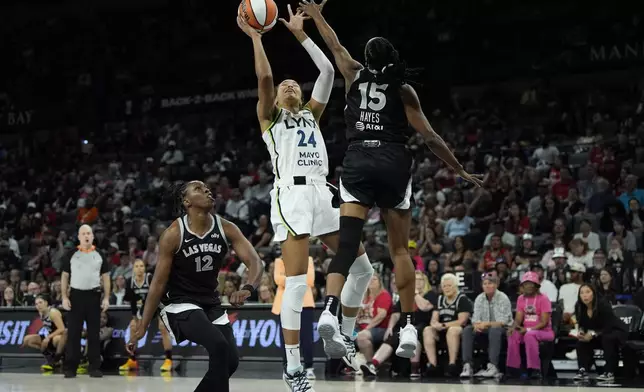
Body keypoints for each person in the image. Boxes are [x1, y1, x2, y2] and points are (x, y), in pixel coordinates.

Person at [298, 0, 482, 364]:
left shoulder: (352, 72)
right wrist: (459, 168)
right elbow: (430, 137)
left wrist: (317, 15)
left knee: (348, 246)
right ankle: (410, 326)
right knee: (400, 251)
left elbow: (334, 44)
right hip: (393, 162)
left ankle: (329, 311)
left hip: (358, 161)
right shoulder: (403, 89)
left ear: (366, 58)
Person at [237, 6, 374, 387]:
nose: (290, 85)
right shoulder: (271, 119)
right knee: (297, 283)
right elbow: (264, 76)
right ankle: (293, 366)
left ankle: (342, 332)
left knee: (364, 269)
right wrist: (256, 37)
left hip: (322, 192)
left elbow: (328, 72)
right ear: (277, 99)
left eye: (295, 83)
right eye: (285, 86)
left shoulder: (312, 114)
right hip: (292, 194)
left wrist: (301, 34)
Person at [127, 181, 263, 392]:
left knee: (230, 361)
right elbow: (158, 283)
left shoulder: (226, 228)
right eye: (199, 189)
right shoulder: (173, 234)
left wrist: (247, 288)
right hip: (179, 303)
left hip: (210, 302)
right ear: (186, 201)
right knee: (218, 346)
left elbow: (255, 262)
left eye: (207, 187)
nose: (207, 190)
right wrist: (144, 324)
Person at [361, 271, 436, 378]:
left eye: (420, 280)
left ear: (425, 282)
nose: (417, 282)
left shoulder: (430, 294)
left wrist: (415, 294)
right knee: (393, 337)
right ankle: (373, 364)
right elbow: (396, 314)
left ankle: (414, 368)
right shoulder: (405, 296)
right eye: (415, 280)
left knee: (412, 333)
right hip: (404, 327)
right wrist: (390, 327)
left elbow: (424, 307)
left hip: (422, 326)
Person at [61, 224, 111, 378]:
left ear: (93, 236)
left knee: (93, 334)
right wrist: (64, 296)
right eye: (83, 233)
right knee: (74, 333)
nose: (86, 236)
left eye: (89, 233)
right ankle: (71, 367)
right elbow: (64, 277)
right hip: (75, 296)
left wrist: (107, 297)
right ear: (79, 236)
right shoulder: (71, 254)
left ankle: (94, 367)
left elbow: (106, 278)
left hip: (94, 296)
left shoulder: (100, 254)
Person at [119, 258, 174, 372]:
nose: (139, 269)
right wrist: (136, 318)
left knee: (163, 327)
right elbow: (133, 302)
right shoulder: (130, 281)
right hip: (145, 308)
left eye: (142, 266)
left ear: (145, 268)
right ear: (133, 269)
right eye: (137, 266)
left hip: (159, 305)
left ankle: (169, 360)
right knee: (133, 326)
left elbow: (158, 296)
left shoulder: (150, 278)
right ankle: (132, 360)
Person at [460, 273, 513, 378]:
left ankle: (493, 367)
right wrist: (476, 325)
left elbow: (503, 321)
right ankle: (468, 366)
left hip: (503, 329)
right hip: (485, 328)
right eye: (485, 284)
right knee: (467, 330)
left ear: (496, 285)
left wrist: (486, 324)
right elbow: (475, 318)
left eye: (490, 283)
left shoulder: (503, 297)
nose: (487, 286)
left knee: (495, 329)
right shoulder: (479, 298)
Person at [272, 256, 316, 380]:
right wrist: (297, 280)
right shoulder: (279, 261)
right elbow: (277, 279)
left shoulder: (308, 260)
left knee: (307, 337)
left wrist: (289, 280)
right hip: (284, 302)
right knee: (285, 338)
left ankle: (309, 368)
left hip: (305, 303)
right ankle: (287, 367)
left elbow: (310, 279)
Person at [573, 284, 628, 382]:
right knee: (581, 342)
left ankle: (609, 372)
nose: (584, 295)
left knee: (608, 338)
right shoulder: (579, 306)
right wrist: (581, 332)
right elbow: (581, 324)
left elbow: (608, 326)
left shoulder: (603, 305)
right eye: (581, 293)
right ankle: (583, 370)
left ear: (594, 294)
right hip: (598, 334)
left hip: (615, 331)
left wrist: (593, 334)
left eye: (587, 292)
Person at [506, 272, 554, 379]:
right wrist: (513, 327)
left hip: (545, 332)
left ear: (536, 286)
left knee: (529, 335)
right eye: (526, 284)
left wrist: (527, 329)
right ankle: (513, 368)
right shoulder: (520, 299)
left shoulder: (543, 299)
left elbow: (544, 322)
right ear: (522, 286)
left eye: (531, 283)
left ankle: (534, 369)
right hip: (527, 330)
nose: (528, 286)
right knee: (513, 334)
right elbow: (518, 318)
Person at [423, 273, 472, 376]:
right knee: (427, 330)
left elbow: (462, 321)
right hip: (442, 329)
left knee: (452, 330)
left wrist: (444, 325)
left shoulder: (462, 299)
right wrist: (435, 324)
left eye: (449, 285)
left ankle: (452, 364)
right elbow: (434, 319)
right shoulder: (440, 299)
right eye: (444, 286)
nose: (446, 288)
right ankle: (433, 365)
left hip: (459, 330)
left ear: (455, 286)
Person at [21, 295, 67, 371]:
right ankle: (50, 356)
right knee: (27, 339)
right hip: (50, 336)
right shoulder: (40, 312)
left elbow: (62, 329)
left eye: (40, 302)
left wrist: (48, 338)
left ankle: (58, 358)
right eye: (36, 304)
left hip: (61, 336)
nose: (38, 305)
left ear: (46, 303)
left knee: (56, 339)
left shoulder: (53, 312)